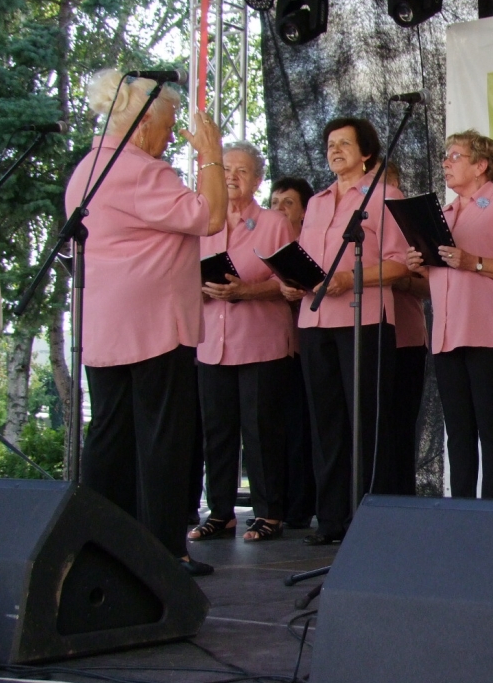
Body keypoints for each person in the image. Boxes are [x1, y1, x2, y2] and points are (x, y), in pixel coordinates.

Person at [66, 68, 226, 576]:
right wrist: (211, 154)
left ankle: (103, 545)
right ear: (141, 124)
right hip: (153, 326)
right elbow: (211, 216)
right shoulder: (139, 170)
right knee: (163, 438)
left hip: (105, 326)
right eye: (169, 123)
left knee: (110, 435)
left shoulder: (88, 168)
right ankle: (162, 553)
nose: (172, 134)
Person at [279, 118, 409, 545]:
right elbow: (307, 260)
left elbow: (399, 264)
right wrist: (291, 281)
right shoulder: (317, 202)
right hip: (315, 320)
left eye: (344, 144)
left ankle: (371, 519)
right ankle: (331, 519)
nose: (334, 150)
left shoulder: (385, 195)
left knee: (366, 422)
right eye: (330, 144)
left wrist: (349, 279)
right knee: (326, 424)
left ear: (366, 152)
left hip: (364, 319)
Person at [406, 130, 493, 499]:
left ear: (480, 166)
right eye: (445, 156)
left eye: (455, 156)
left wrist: (473, 262)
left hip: (488, 333)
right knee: (458, 433)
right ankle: (459, 511)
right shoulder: (443, 214)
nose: (446, 163)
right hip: (447, 334)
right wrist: (418, 264)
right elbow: (441, 275)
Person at [190, 142, 295, 543]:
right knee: (217, 431)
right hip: (211, 342)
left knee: (261, 431)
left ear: (258, 180)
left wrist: (246, 291)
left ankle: (269, 513)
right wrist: (199, 288)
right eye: (226, 170)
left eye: (242, 171)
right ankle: (220, 512)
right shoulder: (204, 222)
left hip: (260, 341)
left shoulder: (273, 223)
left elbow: (290, 281)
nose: (232, 177)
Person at [270, 176, 318, 528]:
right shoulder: (267, 243)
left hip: (310, 344)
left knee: (305, 426)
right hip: (275, 346)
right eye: (274, 203)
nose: (279, 209)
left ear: (305, 211)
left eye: (288, 203)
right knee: (280, 427)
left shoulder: (312, 243)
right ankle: (280, 504)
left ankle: (302, 505)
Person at [384, 160, 430, 495]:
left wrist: (400, 281)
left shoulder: (410, 226)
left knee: (400, 424)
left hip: (406, 337)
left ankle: (401, 497)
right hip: (367, 338)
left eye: (388, 184)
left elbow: (429, 286)